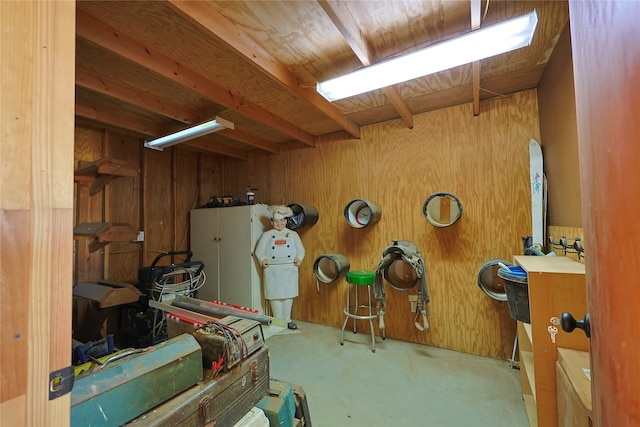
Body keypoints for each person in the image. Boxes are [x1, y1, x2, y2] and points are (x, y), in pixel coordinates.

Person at [255, 205, 305, 329]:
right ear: (272, 222)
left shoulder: (293, 235)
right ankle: (278, 320)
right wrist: (263, 259)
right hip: (273, 269)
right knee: (275, 294)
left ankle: (287, 319)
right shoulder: (267, 235)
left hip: (289, 267)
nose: (279, 224)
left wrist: (299, 258)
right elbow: (258, 251)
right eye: (276, 221)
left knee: (288, 294)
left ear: (286, 221)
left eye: (282, 221)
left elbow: (301, 250)